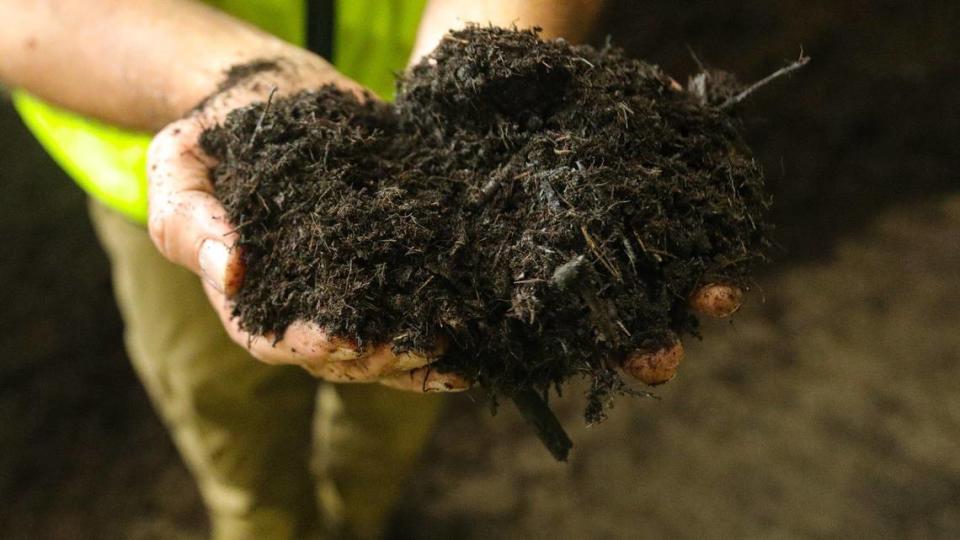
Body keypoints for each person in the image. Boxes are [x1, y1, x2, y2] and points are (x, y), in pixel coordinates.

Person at [0, 1, 741, 538]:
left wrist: (485, 59)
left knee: (412, 377)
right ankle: (260, 521)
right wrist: (233, 75)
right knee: (218, 394)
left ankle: (360, 518)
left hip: (425, 56)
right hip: (161, 146)